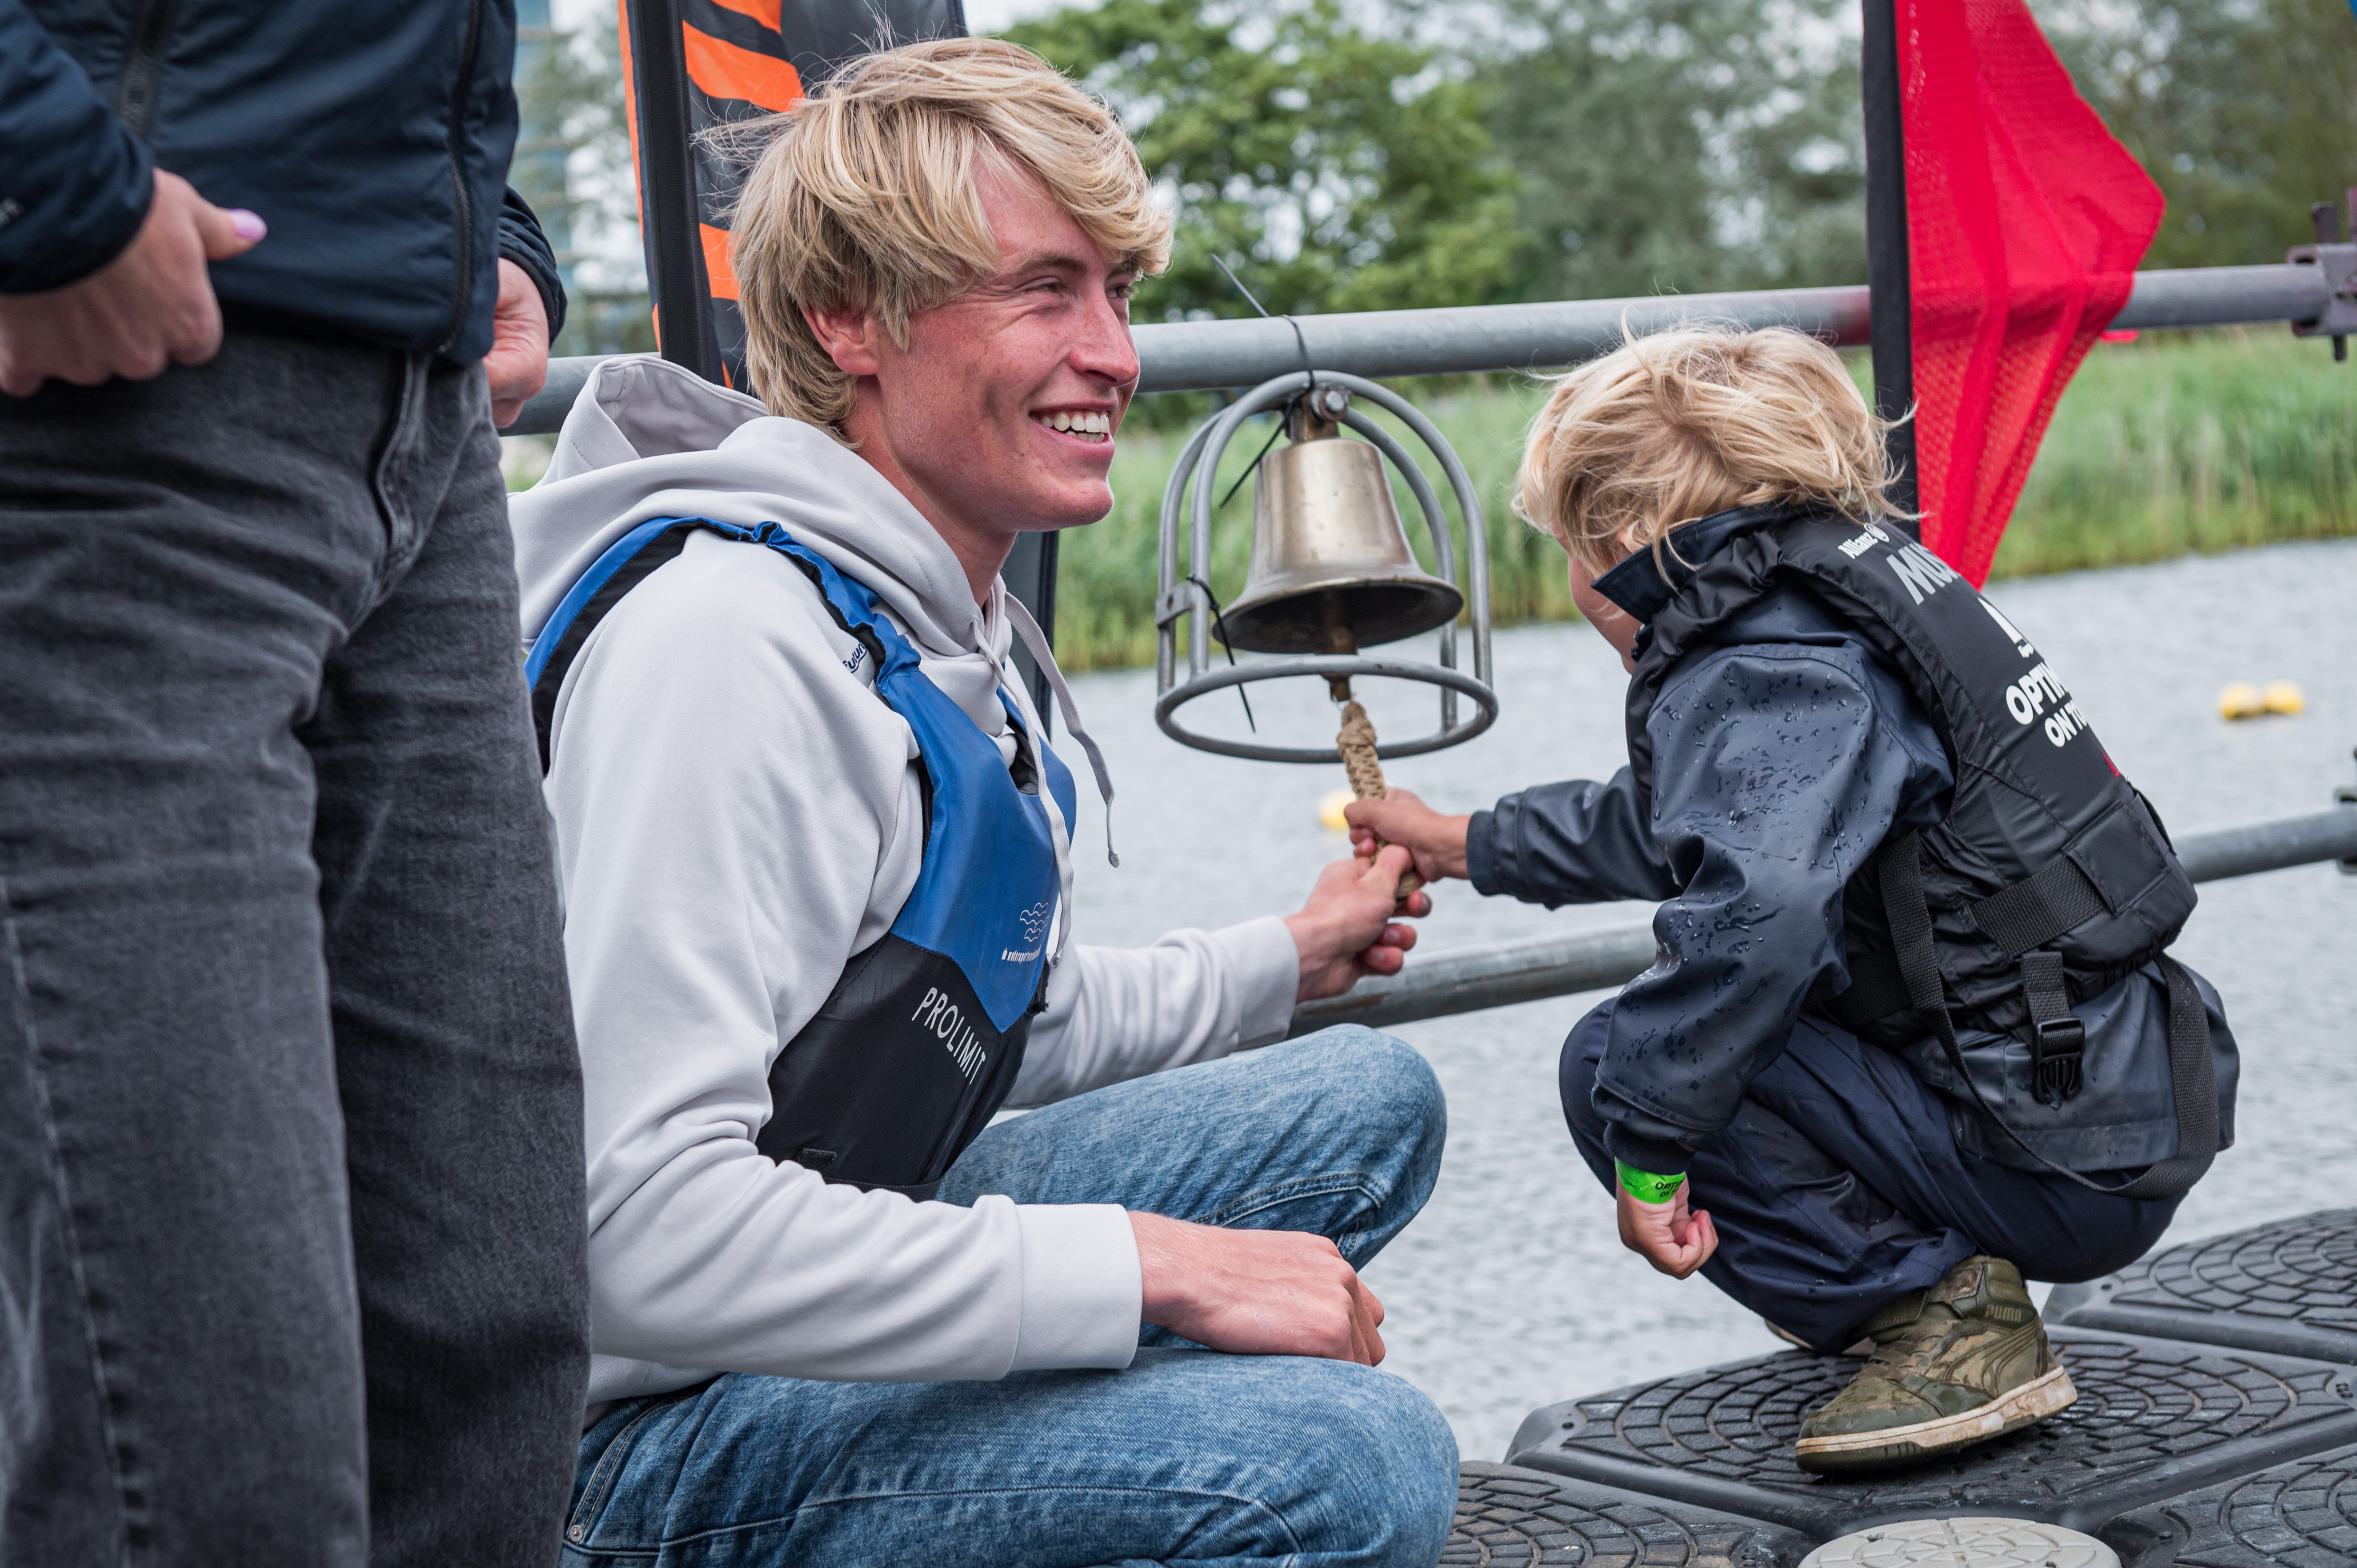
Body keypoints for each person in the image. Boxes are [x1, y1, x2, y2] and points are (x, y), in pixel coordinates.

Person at [508, 37, 1459, 1568]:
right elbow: (635, 1233)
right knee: (1349, 1457)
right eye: (1043, 291)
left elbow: (977, 1022)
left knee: (1368, 1102)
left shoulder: (933, 620)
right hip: (603, 1434)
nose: (1116, 355)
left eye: (1118, 293)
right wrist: (1146, 1271)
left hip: (777, 1282)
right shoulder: (729, 648)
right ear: (848, 319)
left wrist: (1288, 958)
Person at [1351, 326, 2238, 1475]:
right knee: (1701, 1030)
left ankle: (1944, 1321)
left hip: (2050, 1153)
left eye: (1568, 547)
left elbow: (1759, 908)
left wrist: (1651, 1146)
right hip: (2108, 1100)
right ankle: (1902, 1284)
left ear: (1618, 541)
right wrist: (1468, 842)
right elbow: (1703, 822)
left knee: (1615, 1061)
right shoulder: (1833, 601)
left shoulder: (1769, 662)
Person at [0, 4, 590, 1565]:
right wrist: (43, 180)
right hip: (103, 384)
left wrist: (477, 226)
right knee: (208, 1444)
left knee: (483, 1364)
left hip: (419, 419)